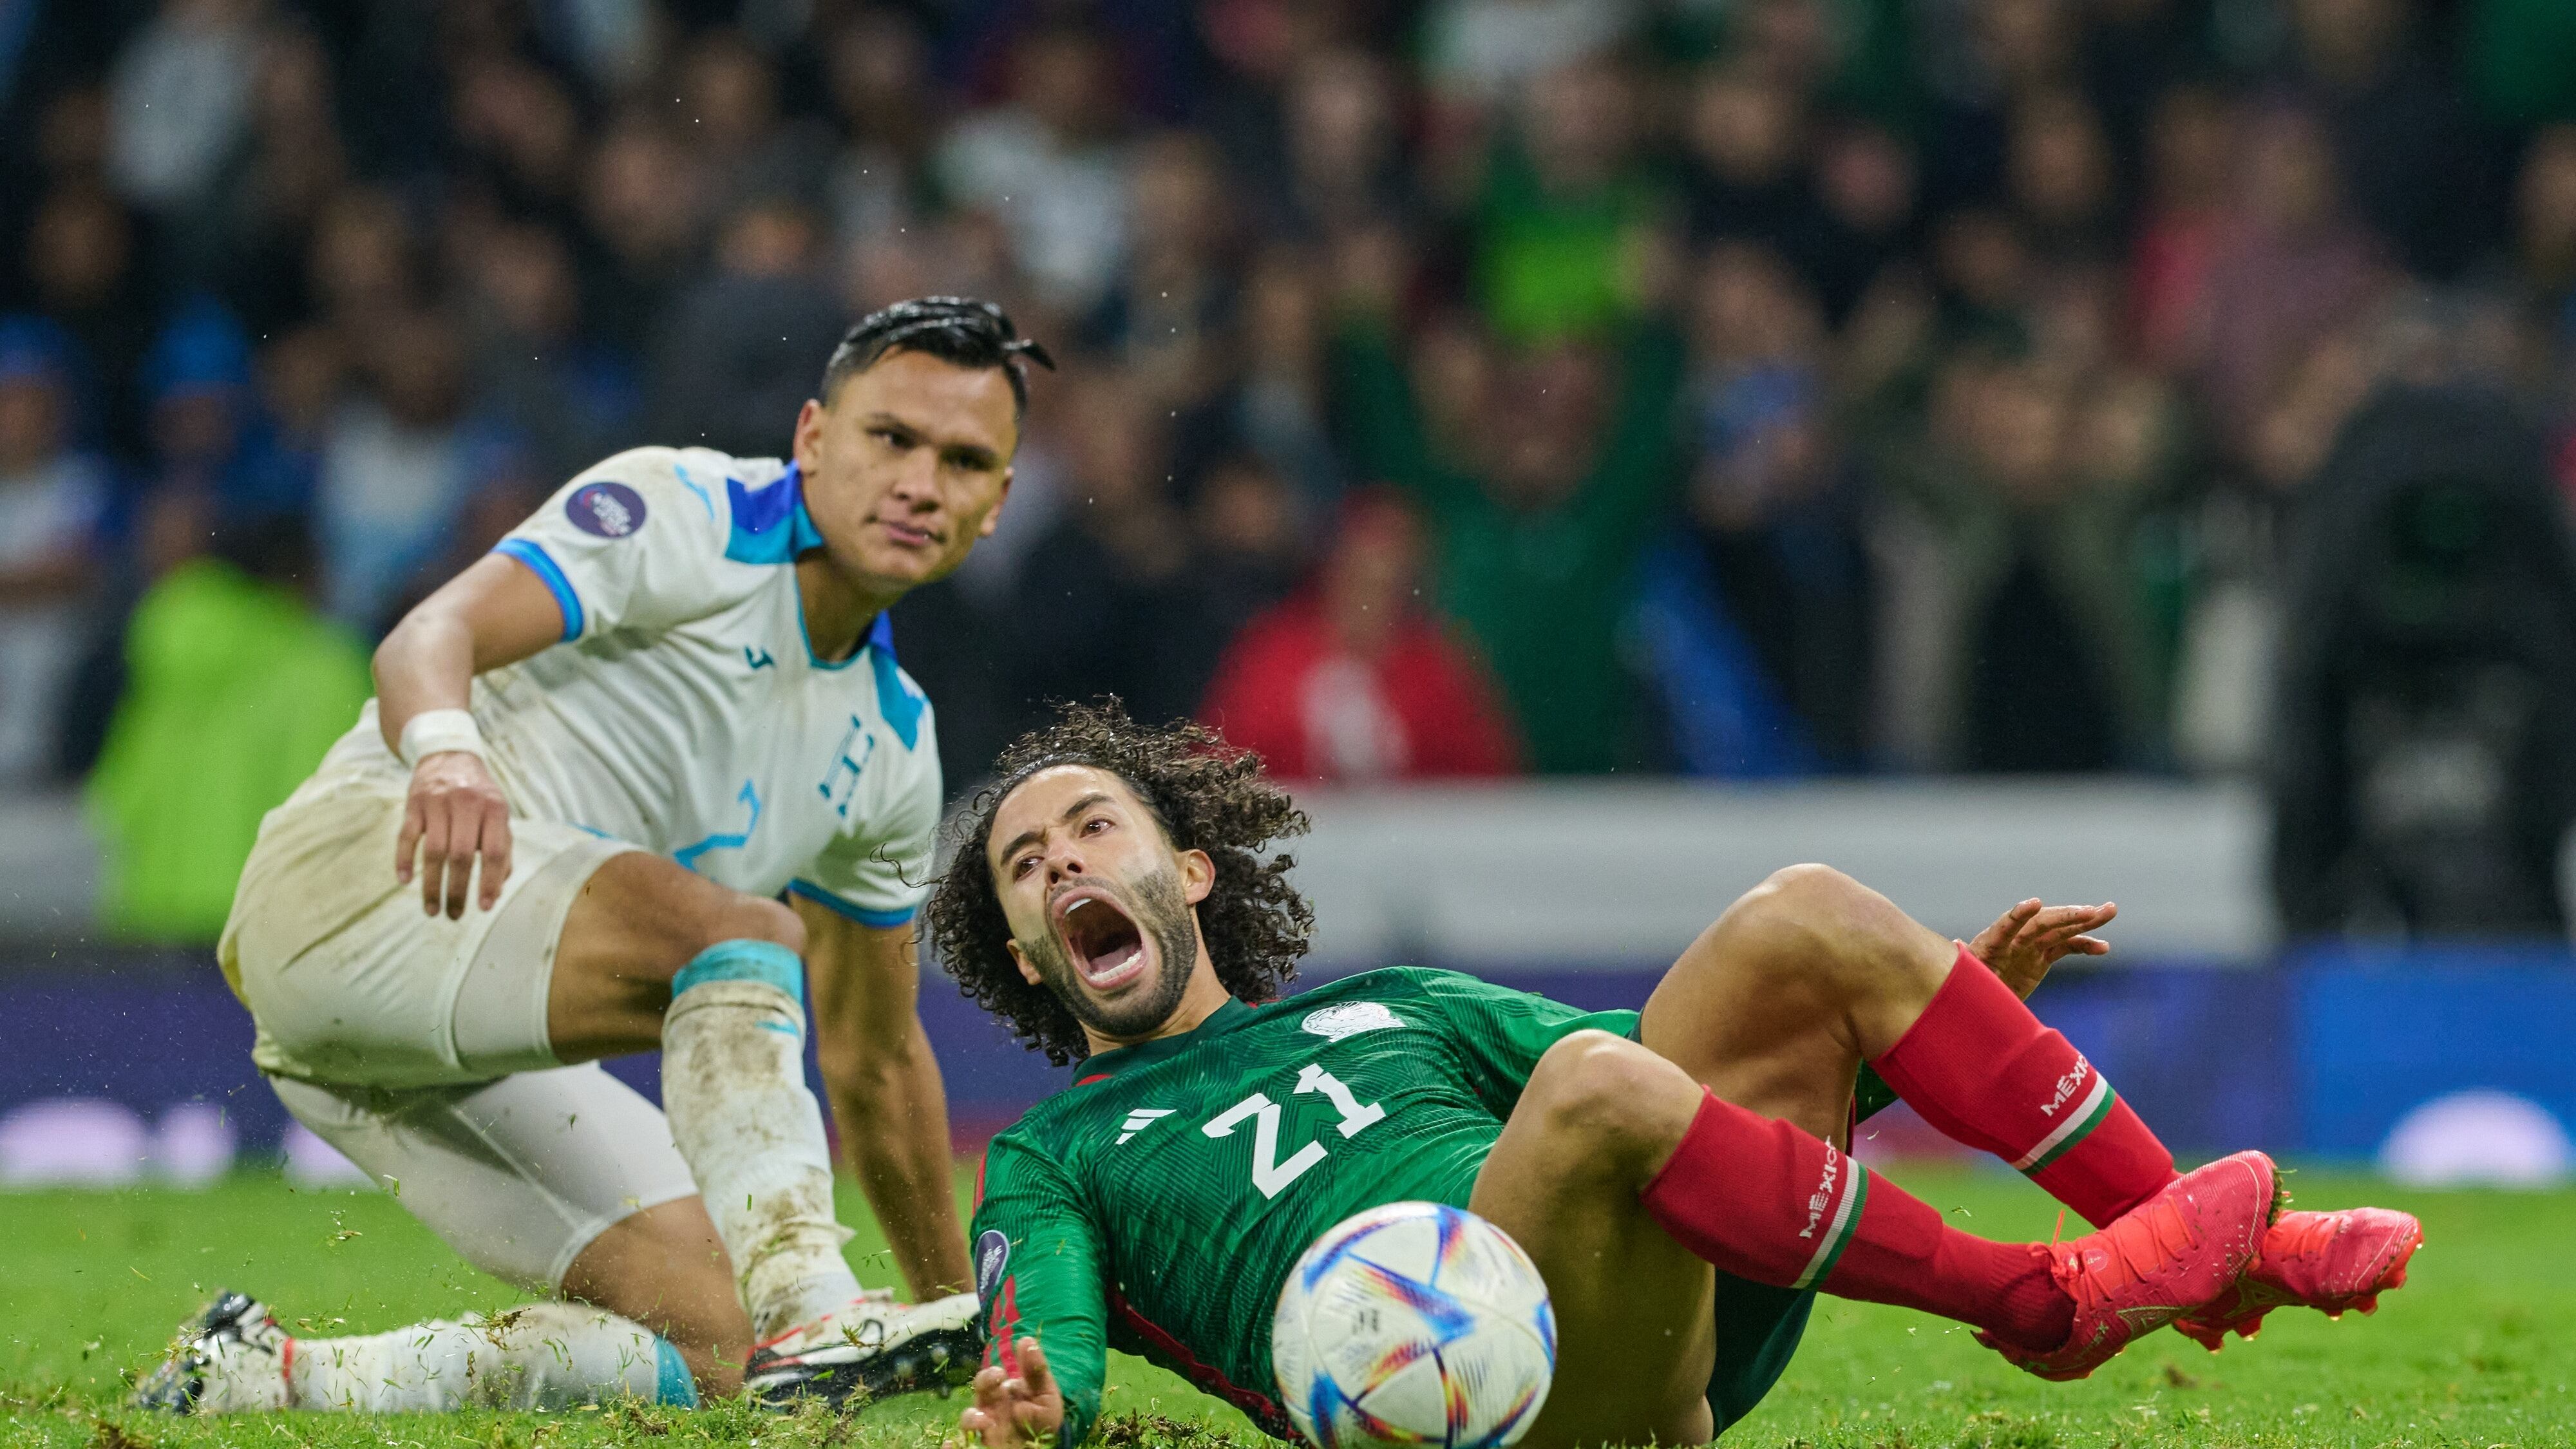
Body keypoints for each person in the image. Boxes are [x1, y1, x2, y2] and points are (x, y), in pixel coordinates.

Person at [930, 703, 2423, 1449]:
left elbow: (1678, 1118)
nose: (1064, 858)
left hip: (1658, 1320)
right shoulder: (1057, 1153)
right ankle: (2038, 1305)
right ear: (1017, 941)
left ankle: (2236, 1248)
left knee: (1804, 916)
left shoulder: (1394, 1003)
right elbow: (1042, 1341)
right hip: (1459, 1406)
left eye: (1093, 829)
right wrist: (1028, 1405)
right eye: (1026, 862)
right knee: (1587, 1081)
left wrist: (1880, 1049)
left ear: (1186, 869)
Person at [135, 298, 1055, 1417]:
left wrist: (972, 1344)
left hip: (452, 1030)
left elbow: (875, 1060)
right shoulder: (691, 512)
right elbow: (435, 634)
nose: (920, 482)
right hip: (359, 873)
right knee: (742, 935)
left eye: (963, 461)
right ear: (814, 437)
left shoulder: (894, 748)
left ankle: (258, 1381)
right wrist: (445, 753)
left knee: (715, 1347)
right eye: (891, 438)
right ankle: (812, 1303)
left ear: (996, 502)